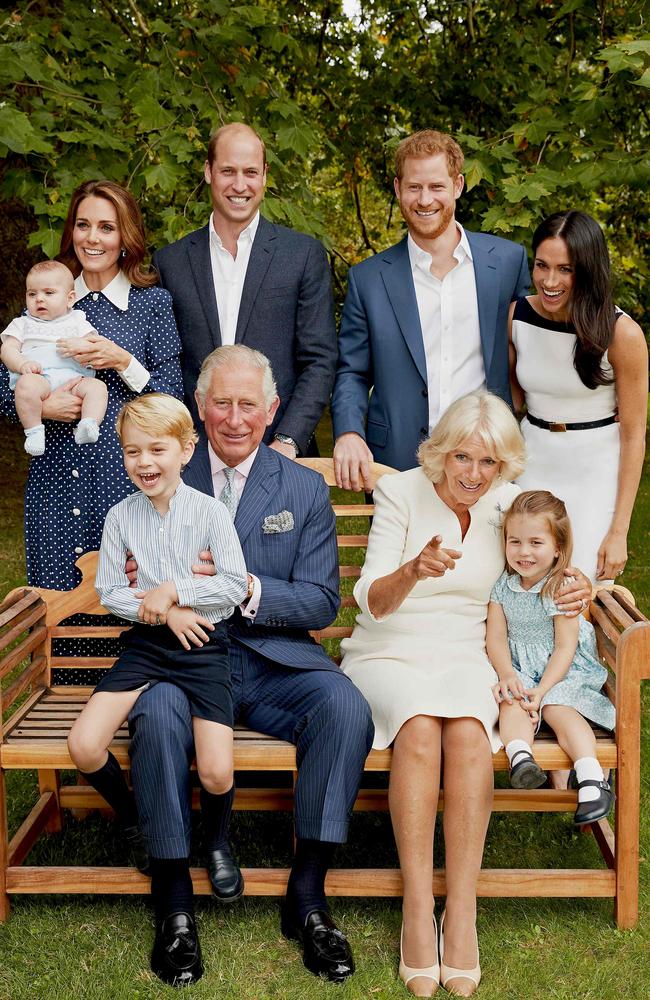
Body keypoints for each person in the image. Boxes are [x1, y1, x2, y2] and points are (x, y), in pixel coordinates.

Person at [126, 345, 374, 987]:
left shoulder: (301, 487)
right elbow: (132, 570)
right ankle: (175, 902)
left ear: (272, 411)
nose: (234, 419)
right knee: (153, 713)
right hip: (183, 658)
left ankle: (308, 896)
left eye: (247, 405)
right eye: (220, 403)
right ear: (199, 408)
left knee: (344, 706)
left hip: (272, 659)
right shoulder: (165, 471)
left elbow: (321, 601)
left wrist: (244, 588)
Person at [340, 393, 590, 998]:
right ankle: (418, 907)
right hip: (389, 645)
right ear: (440, 453)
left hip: (468, 650)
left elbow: (549, 553)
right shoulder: (401, 491)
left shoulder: (506, 504)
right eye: (462, 457)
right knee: (420, 726)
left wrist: (577, 582)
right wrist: (413, 570)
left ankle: (465, 910)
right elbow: (370, 600)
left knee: (471, 735)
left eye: (489, 462)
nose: (474, 474)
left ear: (505, 465)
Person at [67, 395, 247, 938]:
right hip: (147, 644)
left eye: (157, 450)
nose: (144, 462)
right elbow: (110, 592)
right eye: (132, 452)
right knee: (84, 744)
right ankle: (137, 821)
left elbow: (234, 585)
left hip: (202, 646)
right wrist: (162, 610)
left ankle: (215, 839)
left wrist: (174, 590)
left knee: (217, 770)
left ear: (187, 450)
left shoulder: (211, 513)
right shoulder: (121, 517)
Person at [0, 179, 183, 591]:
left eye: (107, 227)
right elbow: (1, 384)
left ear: (125, 236)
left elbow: (172, 396)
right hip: (55, 479)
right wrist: (41, 409)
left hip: (127, 481)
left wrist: (124, 362)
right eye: (83, 225)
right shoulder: (46, 298)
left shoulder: (151, 304)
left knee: (130, 602)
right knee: (56, 602)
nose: (92, 238)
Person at [331, 128, 531, 490]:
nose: (425, 200)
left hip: (488, 461)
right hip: (396, 462)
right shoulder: (368, 279)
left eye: (436, 187)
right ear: (397, 189)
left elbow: (531, 350)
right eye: (414, 187)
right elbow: (352, 373)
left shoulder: (506, 263)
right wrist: (347, 432)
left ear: (457, 185)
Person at [152, 122, 337, 458]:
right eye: (228, 171)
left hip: (279, 450)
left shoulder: (302, 255)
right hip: (195, 455)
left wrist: (288, 439)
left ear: (265, 175)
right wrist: (183, 438)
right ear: (208, 171)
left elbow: (319, 360)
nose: (240, 185)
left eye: (250, 172)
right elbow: (167, 364)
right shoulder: (170, 263)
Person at [510, 210, 647, 583]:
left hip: (594, 472)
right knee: (523, 584)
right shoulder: (517, 317)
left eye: (565, 269)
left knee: (579, 590)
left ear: (587, 269)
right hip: (532, 463)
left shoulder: (622, 334)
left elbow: (634, 435)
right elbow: (511, 403)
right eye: (541, 265)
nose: (549, 281)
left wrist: (618, 531)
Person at [487, 490, 615, 827]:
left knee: (558, 708)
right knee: (511, 702)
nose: (523, 552)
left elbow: (564, 648)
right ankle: (522, 759)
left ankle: (590, 777)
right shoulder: (502, 586)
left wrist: (542, 691)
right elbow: (497, 638)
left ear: (558, 547)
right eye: (514, 541)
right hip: (521, 669)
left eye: (535, 543)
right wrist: (506, 674)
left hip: (562, 671)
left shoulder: (561, 586)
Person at [1, 260, 108, 455]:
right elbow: (7, 350)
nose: (39, 299)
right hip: (39, 377)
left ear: (69, 299)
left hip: (75, 379)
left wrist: (82, 345)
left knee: (98, 388)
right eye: (32, 294)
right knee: (26, 386)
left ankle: (89, 423)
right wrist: (22, 363)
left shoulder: (78, 320)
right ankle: (34, 431)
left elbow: (96, 346)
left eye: (48, 293)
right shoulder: (22, 323)